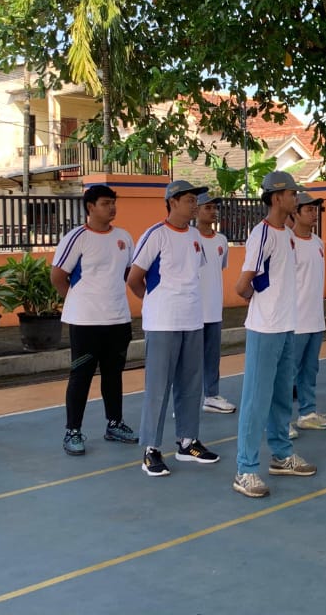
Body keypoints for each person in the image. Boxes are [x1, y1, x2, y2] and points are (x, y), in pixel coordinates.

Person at [232, 171, 318, 498]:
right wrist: (262, 299)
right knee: (256, 399)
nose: (297, 198)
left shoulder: (288, 235)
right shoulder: (262, 234)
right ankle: (245, 468)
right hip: (265, 327)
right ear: (277, 197)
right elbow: (243, 284)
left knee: (282, 395)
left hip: (286, 325)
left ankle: (281, 454)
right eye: (293, 193)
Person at [127, 180, 220, 476]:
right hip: (163, 322)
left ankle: (187, 442)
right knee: (158, 387)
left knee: (191, 385)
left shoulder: (194, 236)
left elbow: (193, 276)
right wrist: (155, 302)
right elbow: (134, 278)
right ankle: (151, 449)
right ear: (173, 202)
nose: (195, 204)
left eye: (196, 200)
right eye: (190, 200)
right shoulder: (155, 235)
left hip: (192, 320)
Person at [51, 185, 140, 456]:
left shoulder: (123, 237)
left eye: (113, 203)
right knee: (81, 376)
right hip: (85, 322)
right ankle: (73, 430)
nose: (111, 208)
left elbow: (129, 274)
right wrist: (78, 300)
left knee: (113, 375)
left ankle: (114, 424)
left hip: (118, 319)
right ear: (90, 207)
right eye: (105, 203)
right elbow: (57, 276)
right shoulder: (76, 238)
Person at [290, 192, 326, 432]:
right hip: (295, 321)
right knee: (287, 374)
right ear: (295, 213)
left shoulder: (318, 242)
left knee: (310, 370)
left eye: (315, 209)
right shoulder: (288, 242)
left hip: (315, 320)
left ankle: (307, 413)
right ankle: (280, 420)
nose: (313, 213)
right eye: (308, 209)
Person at [196, 192, 237, 415]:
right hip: (192, 312)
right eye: (208, 207)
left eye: (215, 208)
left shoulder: (221, 240)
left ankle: (211, 396)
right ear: (196, 210)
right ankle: (187, 400)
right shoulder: (190, 237)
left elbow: (218, 268)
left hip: (213, 310)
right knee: (189, 361)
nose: (213, 211)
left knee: (212, 358)